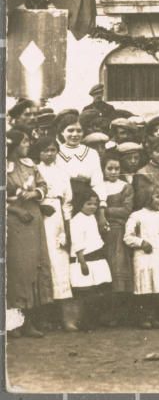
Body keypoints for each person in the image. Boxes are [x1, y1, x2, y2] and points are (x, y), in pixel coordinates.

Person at [6, 130, 54, 338]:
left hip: (32, 219)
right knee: (18, 270)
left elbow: (43, 185)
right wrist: (16, 210)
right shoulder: (4, 167)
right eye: (24, 141)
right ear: (14, 144)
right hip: (13, 220)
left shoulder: (30, 166)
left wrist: (35, 193)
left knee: (34, 266)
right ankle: (13, 323)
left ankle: (29, 321)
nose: (27, 145)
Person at [32, 137, 75, 330]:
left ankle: (65, 318)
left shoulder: (62, 173)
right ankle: (43, 318)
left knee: (60, 263)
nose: (50, 154)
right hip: (39, 217)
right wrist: (41, 208)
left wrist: (66, 228)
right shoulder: (34, 170)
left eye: (53, 150)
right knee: (43, 262)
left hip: (57, 217)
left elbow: (67, 203)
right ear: (39, 153)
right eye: (46, 150)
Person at [124, 185, 159, 329]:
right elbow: (128, 237)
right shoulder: (137, 215)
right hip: (144, 256)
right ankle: (144, 317)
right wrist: (141, 242)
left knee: (158, 287)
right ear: (147, 197)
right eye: (157, 196)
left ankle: (154, 317)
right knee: (145, 287)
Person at [95, 153, 134, 325]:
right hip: (101, 233)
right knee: (104, 270)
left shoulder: (125, 187)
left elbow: (126, 210)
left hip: (118, 232)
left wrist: (104, 211)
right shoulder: (99, 186)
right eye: (109, 168)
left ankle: (119, 314)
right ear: (103, 170)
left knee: (119, 268)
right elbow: (92, 206)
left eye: (117, 168)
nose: (113, 172)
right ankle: (105, 314)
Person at [69, 190, 112, 331]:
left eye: (95, 204)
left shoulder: (92, 217)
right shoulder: (77, 220)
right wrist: (82, 262)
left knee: (100, 290)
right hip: (85, 259)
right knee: (86, 294)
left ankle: (95, 319)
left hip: (97, 257)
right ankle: (85, 322)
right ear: (80, 204)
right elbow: (77, 242)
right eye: (89, 204)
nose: (93, 207)